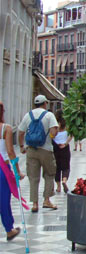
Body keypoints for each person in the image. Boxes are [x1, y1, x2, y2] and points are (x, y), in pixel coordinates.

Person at [17, 95, 58, 212]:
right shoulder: (49, 115)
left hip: (31, 149)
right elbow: (54, 131)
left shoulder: (27, 115)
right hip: (46, 150)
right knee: (49, 174)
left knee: (33, 177)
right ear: (45, 103)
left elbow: (20, 132)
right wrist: (49, 137)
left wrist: (21, 146)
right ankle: (46, 200)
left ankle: (35, 204)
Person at [0, 101, 23, 240]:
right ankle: (9, 229)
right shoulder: (6, 128)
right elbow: (10, 151)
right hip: (2, 168)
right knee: (3, 199)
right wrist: (17, 171)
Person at [52, 110, 72, 193]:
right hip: (65, 148)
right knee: (66, 167)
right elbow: (71, 135)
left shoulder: (54, 125)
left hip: (55, 148)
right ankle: (64, 180)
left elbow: (51, 135)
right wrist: (66, 143)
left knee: (56, 168)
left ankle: (58, 186)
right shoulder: (68, 126)